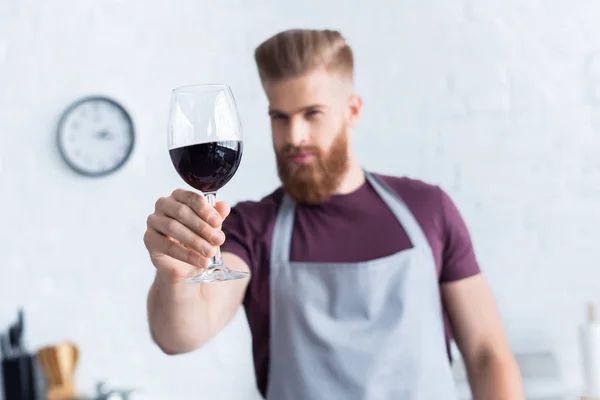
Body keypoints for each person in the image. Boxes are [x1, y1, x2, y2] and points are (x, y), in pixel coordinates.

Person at [144, 29, 525, 399]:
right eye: (280, 116)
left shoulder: (429, 210)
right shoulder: (251, 226)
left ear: (352, 111)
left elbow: (487, 356)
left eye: (312, 113)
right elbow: (179, 335)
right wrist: (174, 275)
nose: (294, 135)